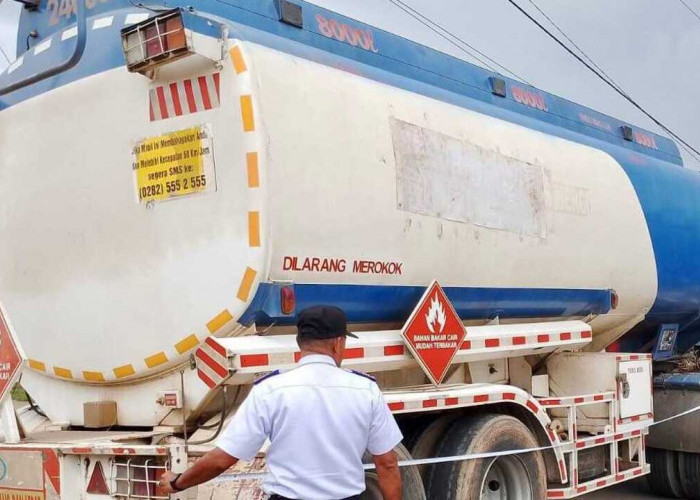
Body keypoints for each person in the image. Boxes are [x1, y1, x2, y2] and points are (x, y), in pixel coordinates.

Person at [160, 305, 403, 500]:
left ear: (300, 343)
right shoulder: (366, 390)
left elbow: (223, 458)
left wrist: (177, 483)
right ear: (338, 343)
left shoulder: (270, 390)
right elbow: (387, 463)